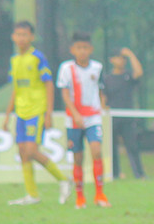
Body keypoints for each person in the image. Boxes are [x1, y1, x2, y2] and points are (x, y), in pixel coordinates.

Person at [3, 21, 70, 206]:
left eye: (24, 35)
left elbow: (48, 83)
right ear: (13, 37)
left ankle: (63, 179)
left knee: (32, 151)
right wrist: (8, 115)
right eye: (18, 34)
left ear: (31, 37)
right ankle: (32, 195)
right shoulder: (14, 60)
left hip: (36, 111)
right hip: (21, 112)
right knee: (23, 152)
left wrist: (48, 112)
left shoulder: (38, 57)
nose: (21, 38)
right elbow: (15, 89)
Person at [57, 33, 110, 208]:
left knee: (96, 150)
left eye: (85, 47)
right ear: (73, 50)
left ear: (91, 49)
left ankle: (100, 194)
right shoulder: (66, 69)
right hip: (74, 119)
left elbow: (101, 89)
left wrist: (103, 105)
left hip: (93, 117)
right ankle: (80, 196)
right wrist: (76, 114)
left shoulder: (97, 67)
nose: (82, 51)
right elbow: (65, 94)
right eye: (79, 48)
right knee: (78, 157)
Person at [101, 47, 146, 180]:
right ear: (111, 60)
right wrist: (103, 110)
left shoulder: (128, 76)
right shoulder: (107, 78)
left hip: (127, 117)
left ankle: (139, 174)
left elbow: (138, 72)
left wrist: (131, 54)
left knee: (132, 146)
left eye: (123, 58)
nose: (121, 61)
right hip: (112, 118)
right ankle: (115, 174)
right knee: (112, 147)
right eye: (118, 57)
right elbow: (103, 96)